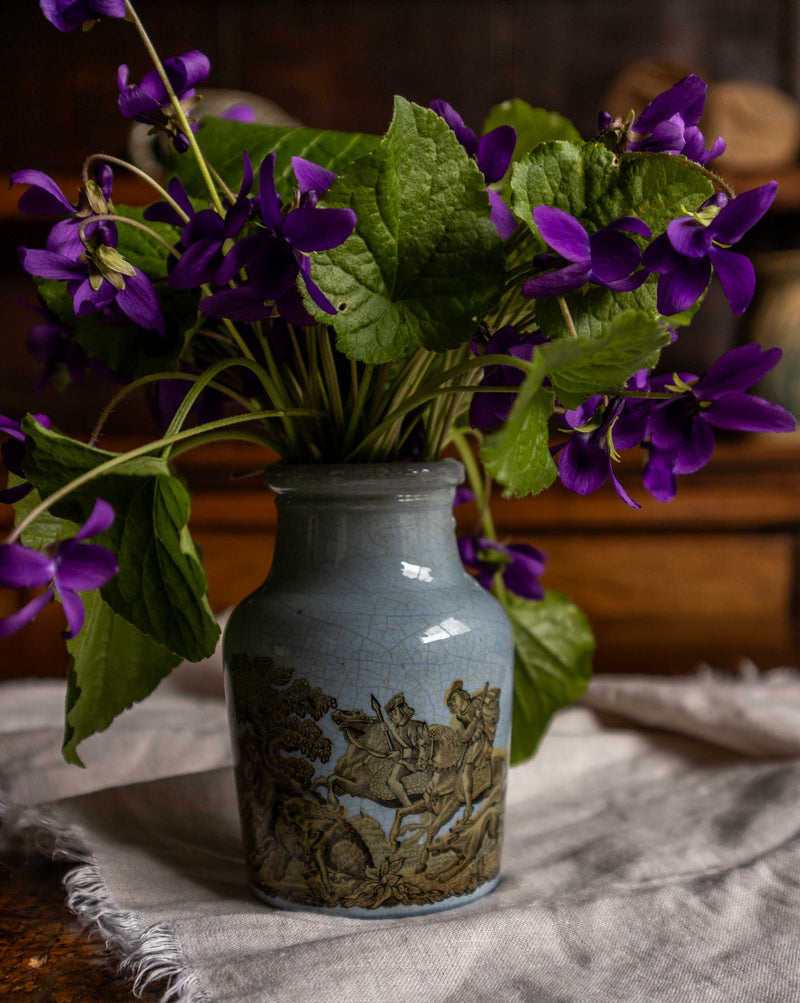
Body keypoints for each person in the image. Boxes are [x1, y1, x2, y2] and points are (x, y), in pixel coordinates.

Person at [445, 680, 491, 821]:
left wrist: (479, 725)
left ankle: (470, 804)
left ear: (463, 695)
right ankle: (469, 803)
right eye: (451, 703)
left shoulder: (476, 705)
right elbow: (463, 737)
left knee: (467, 769)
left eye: (454, 699)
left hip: (481, 740)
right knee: (462, 771)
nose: (453, 703)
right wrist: (474, 724)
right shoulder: (455, 720)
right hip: (468, 744)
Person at [384, 693, 425, 806]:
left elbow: (421, 750)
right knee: (391, 781)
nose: (393, 716)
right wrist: (386, 732)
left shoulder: (415, 726)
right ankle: (408, 805)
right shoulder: (395, 730)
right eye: (391, 714)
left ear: (403, 710)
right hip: (403, 761)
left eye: (395, 712)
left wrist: (400, 753)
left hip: (417, 761)